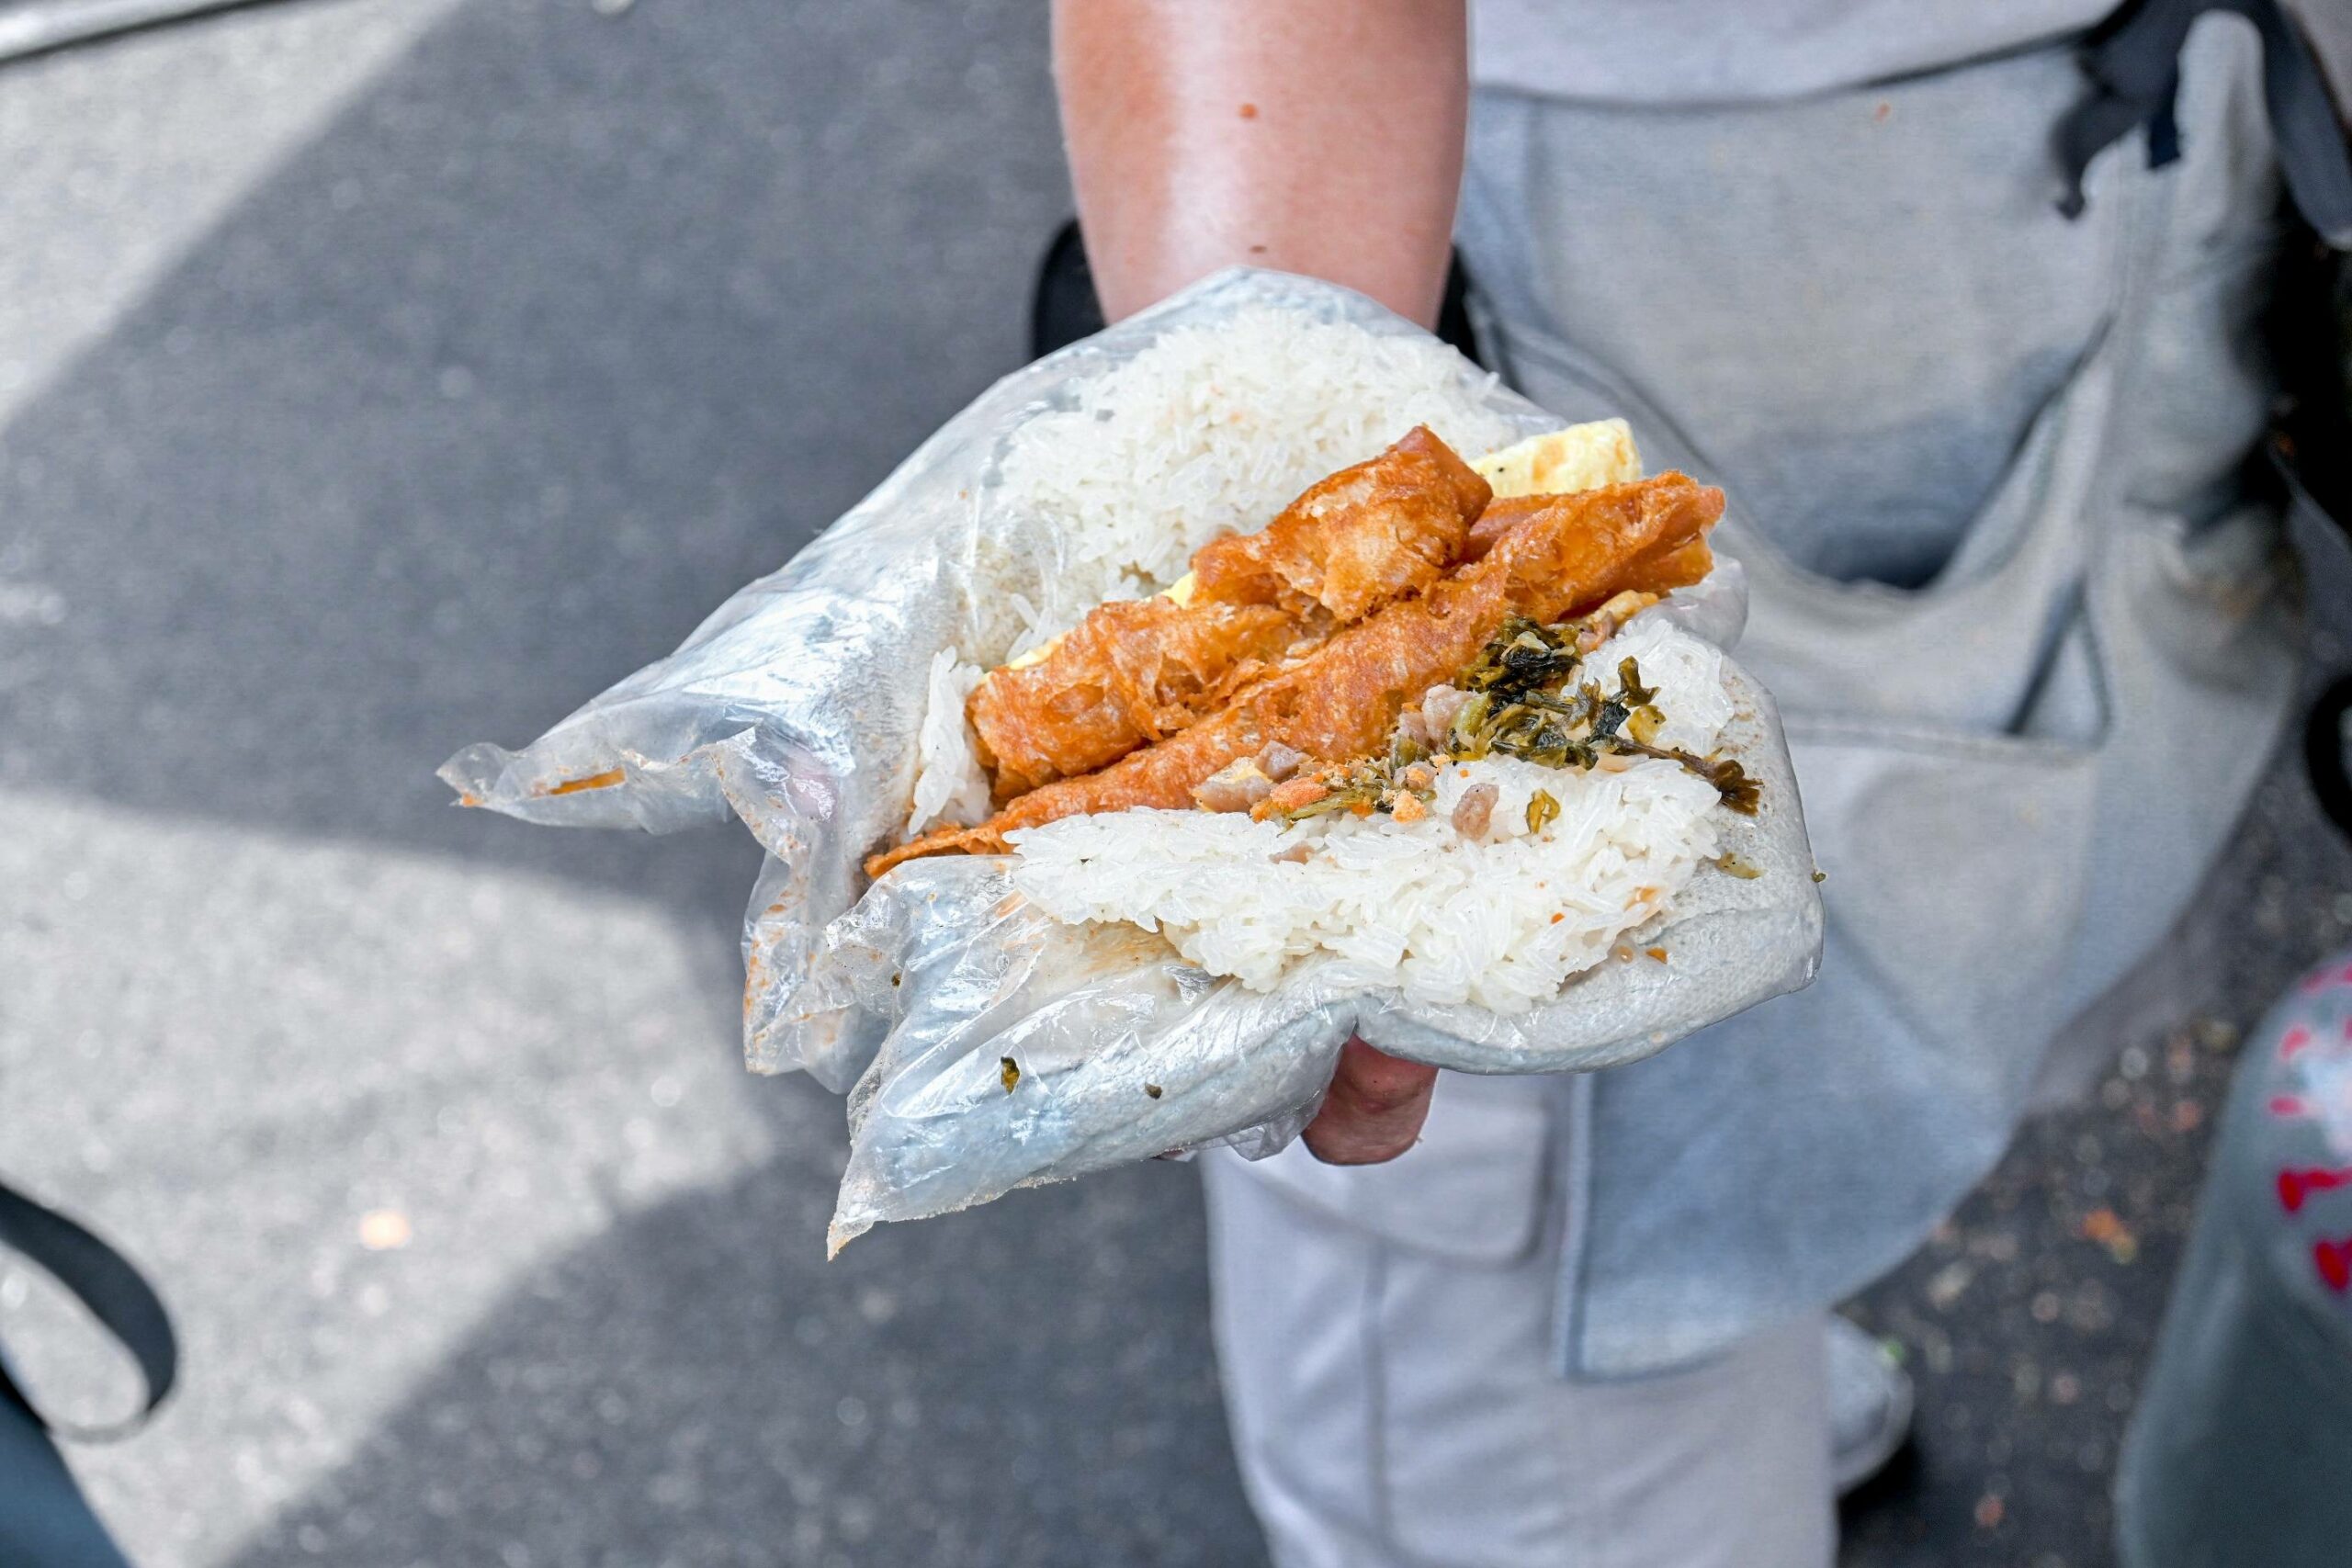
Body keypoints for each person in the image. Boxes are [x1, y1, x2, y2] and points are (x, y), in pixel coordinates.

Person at [1049, 1, 2351, 1563]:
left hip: (2131, 199)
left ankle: (1757, 1314)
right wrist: (1293, 560)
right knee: (1530, 1263)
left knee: (1939, 956)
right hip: (1484, 233)